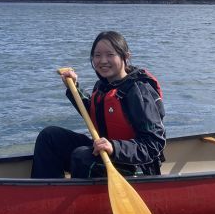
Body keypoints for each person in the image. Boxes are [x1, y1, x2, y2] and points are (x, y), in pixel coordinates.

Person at [31, 31, 166, 179]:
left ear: (126, 57)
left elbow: (154, 144)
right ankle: (47, 193)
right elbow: (97, 115)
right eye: (97, 55)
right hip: (106, 154)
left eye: (110, 55)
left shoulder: (139, 91)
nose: (103, 61)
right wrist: (74, 88)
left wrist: (115, 148)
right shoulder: (103, 86)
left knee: (82, 157)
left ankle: (79, 200)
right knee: (50, 136)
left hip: (139, 166)